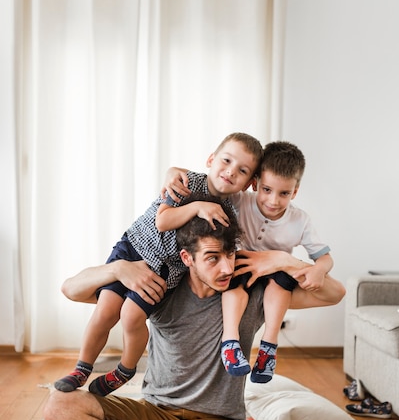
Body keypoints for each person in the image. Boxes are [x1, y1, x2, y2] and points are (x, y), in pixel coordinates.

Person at [44, 199, 305, 420]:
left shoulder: (251, 292)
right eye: (212, 258)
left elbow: (331, 292)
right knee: (59, 407)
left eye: (230, 255)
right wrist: (117, 267)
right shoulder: (161, 290)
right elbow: (70, 289)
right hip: (156, 415)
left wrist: (279, 259)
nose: (225, 268)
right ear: (187, 258)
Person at [54, 132, 263, 396]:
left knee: (131, 315)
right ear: (211, 159)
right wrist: (197, 206)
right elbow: (162, 221)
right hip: (133, 246)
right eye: (226, 161)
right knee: (106, 309)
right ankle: (81, 368)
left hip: (165, 266)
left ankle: (125, 369)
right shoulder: (186, 182)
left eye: (242, 170)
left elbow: (216, 248)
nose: (231, 172)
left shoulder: (229, 212)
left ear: (247, 184)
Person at [161, 141, 345, 383]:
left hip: (277, 271)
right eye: (267, 190)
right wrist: (173, 171)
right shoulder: (241, 200)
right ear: (255, 183)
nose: (273, 201)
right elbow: (213, 183)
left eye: (284, 194)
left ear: (295, 192)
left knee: (281, 286)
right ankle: (231, 340)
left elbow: (324, 258)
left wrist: (319, 269)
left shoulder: (300, 220)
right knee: (234, 285)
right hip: (242, 264)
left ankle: (269, 345)